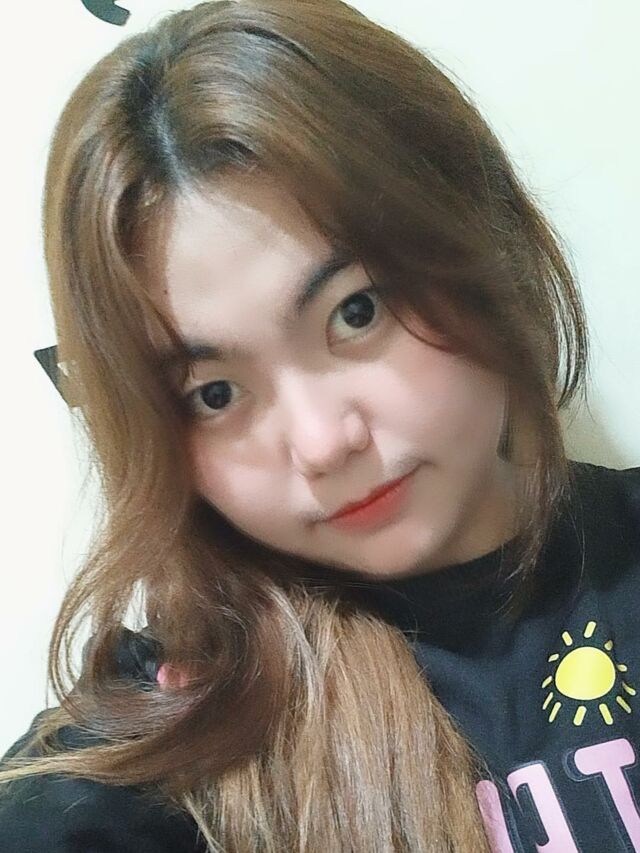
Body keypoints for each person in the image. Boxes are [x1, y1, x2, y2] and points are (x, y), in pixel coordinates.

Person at [0, 0, 638, 850]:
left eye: (356, 311)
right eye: (213, 393)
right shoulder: (186, 720)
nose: (322, 443)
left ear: (483, 243)